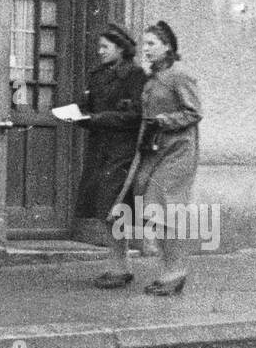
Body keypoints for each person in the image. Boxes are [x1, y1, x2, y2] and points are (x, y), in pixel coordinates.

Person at [94, 20, 202, 295]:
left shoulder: (180, 75)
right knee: (148, 204)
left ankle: (174, 272)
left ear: (168, 47)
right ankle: (168, 270)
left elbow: (194, 112)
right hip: (154, 149)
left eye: (152, 44)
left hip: (178, 151)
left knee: (163, 207)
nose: (146, 49)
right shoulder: (152, 78)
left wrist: (164, 120)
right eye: (145, 44)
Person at [73, 24, 146, 248]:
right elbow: (88, 107)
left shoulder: (135, 75)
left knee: (114, 208)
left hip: (122, 151)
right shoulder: (97, 75)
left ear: (121, 49)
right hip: (99, 149)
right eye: (99, 46)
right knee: (103, 209)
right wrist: (77, 115)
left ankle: (120, 268)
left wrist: (96, 119)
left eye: (105, 47)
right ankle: (118, 267)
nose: (100, 51)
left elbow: (135, 116)